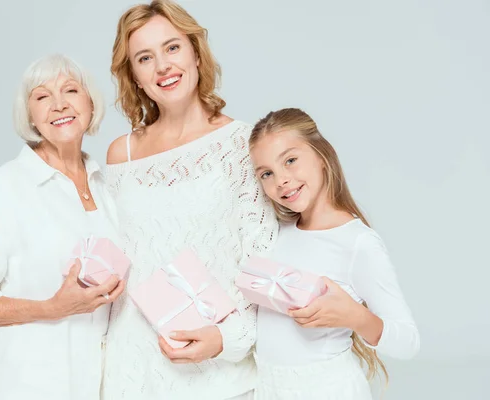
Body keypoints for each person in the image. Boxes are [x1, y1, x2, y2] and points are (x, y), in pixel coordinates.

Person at [102, 1, 278, 399]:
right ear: (135, 77)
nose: (162, 65)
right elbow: (117, 262)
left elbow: (263, 262)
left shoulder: (244, 144)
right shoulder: (121, 154)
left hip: (219, 374)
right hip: (131, 374)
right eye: (144, 58)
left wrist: (225, 340)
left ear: (196, 53)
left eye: (172, 47)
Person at [0, 54, 125, 400]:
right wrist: (52, 307)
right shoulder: (3, 188)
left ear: (90, 103)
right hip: (28, 386)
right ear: (30, 116)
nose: (59, 105)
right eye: (42, 96)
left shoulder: (106, 188)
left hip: (99, 385)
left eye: (71, 90)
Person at [248, 108, 420, 400]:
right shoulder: (274, 233)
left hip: (327, 389)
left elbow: (409, 342)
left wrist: (356, 316)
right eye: (267, 173)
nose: (281, 180)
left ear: (322, 155)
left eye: (290, 160)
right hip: (268, 387)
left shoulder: (357, 243)